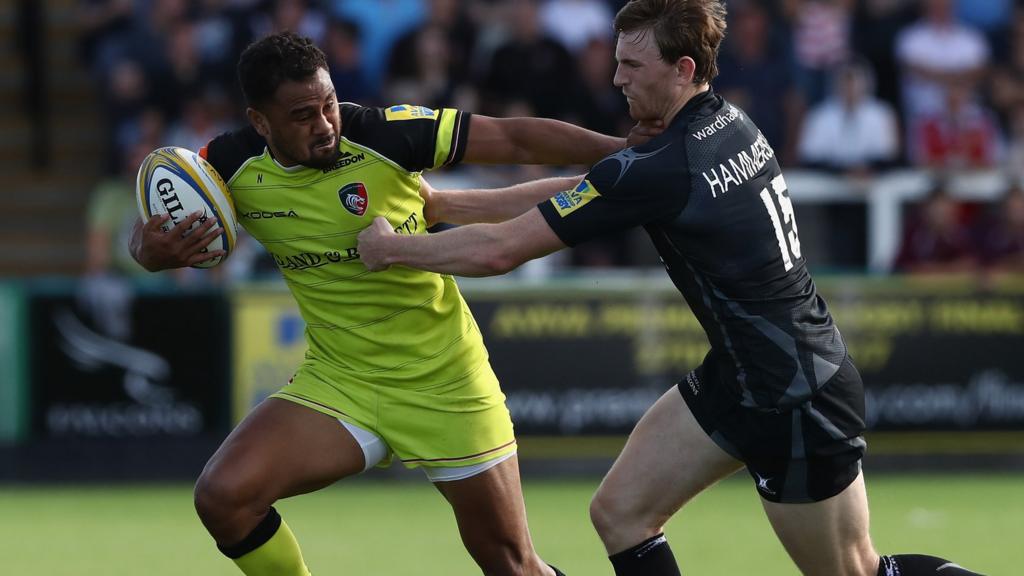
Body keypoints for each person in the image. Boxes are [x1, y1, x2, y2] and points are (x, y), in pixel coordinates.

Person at [356, 1, 985, 575]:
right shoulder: (725, 121)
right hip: (743, 377)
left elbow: (501, 253)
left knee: (856, 573)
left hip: (795, 392)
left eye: (632, 64)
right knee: (621, 514)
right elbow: (582, 195)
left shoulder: (665, 164)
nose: (617, 77)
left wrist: (392, 251)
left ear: (682, 68)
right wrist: (444, 206)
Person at [129, 31, 647, 576]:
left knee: (511, 564)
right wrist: (149, 250)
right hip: (342, 380)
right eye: (303, 115)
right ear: (261, 122)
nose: (325, 123)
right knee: (223, 497)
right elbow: (152, 230)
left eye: (327, 104)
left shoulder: (385, 134)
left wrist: (621, 151)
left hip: (445, 380)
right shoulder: (228, 167)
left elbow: (514, 140)